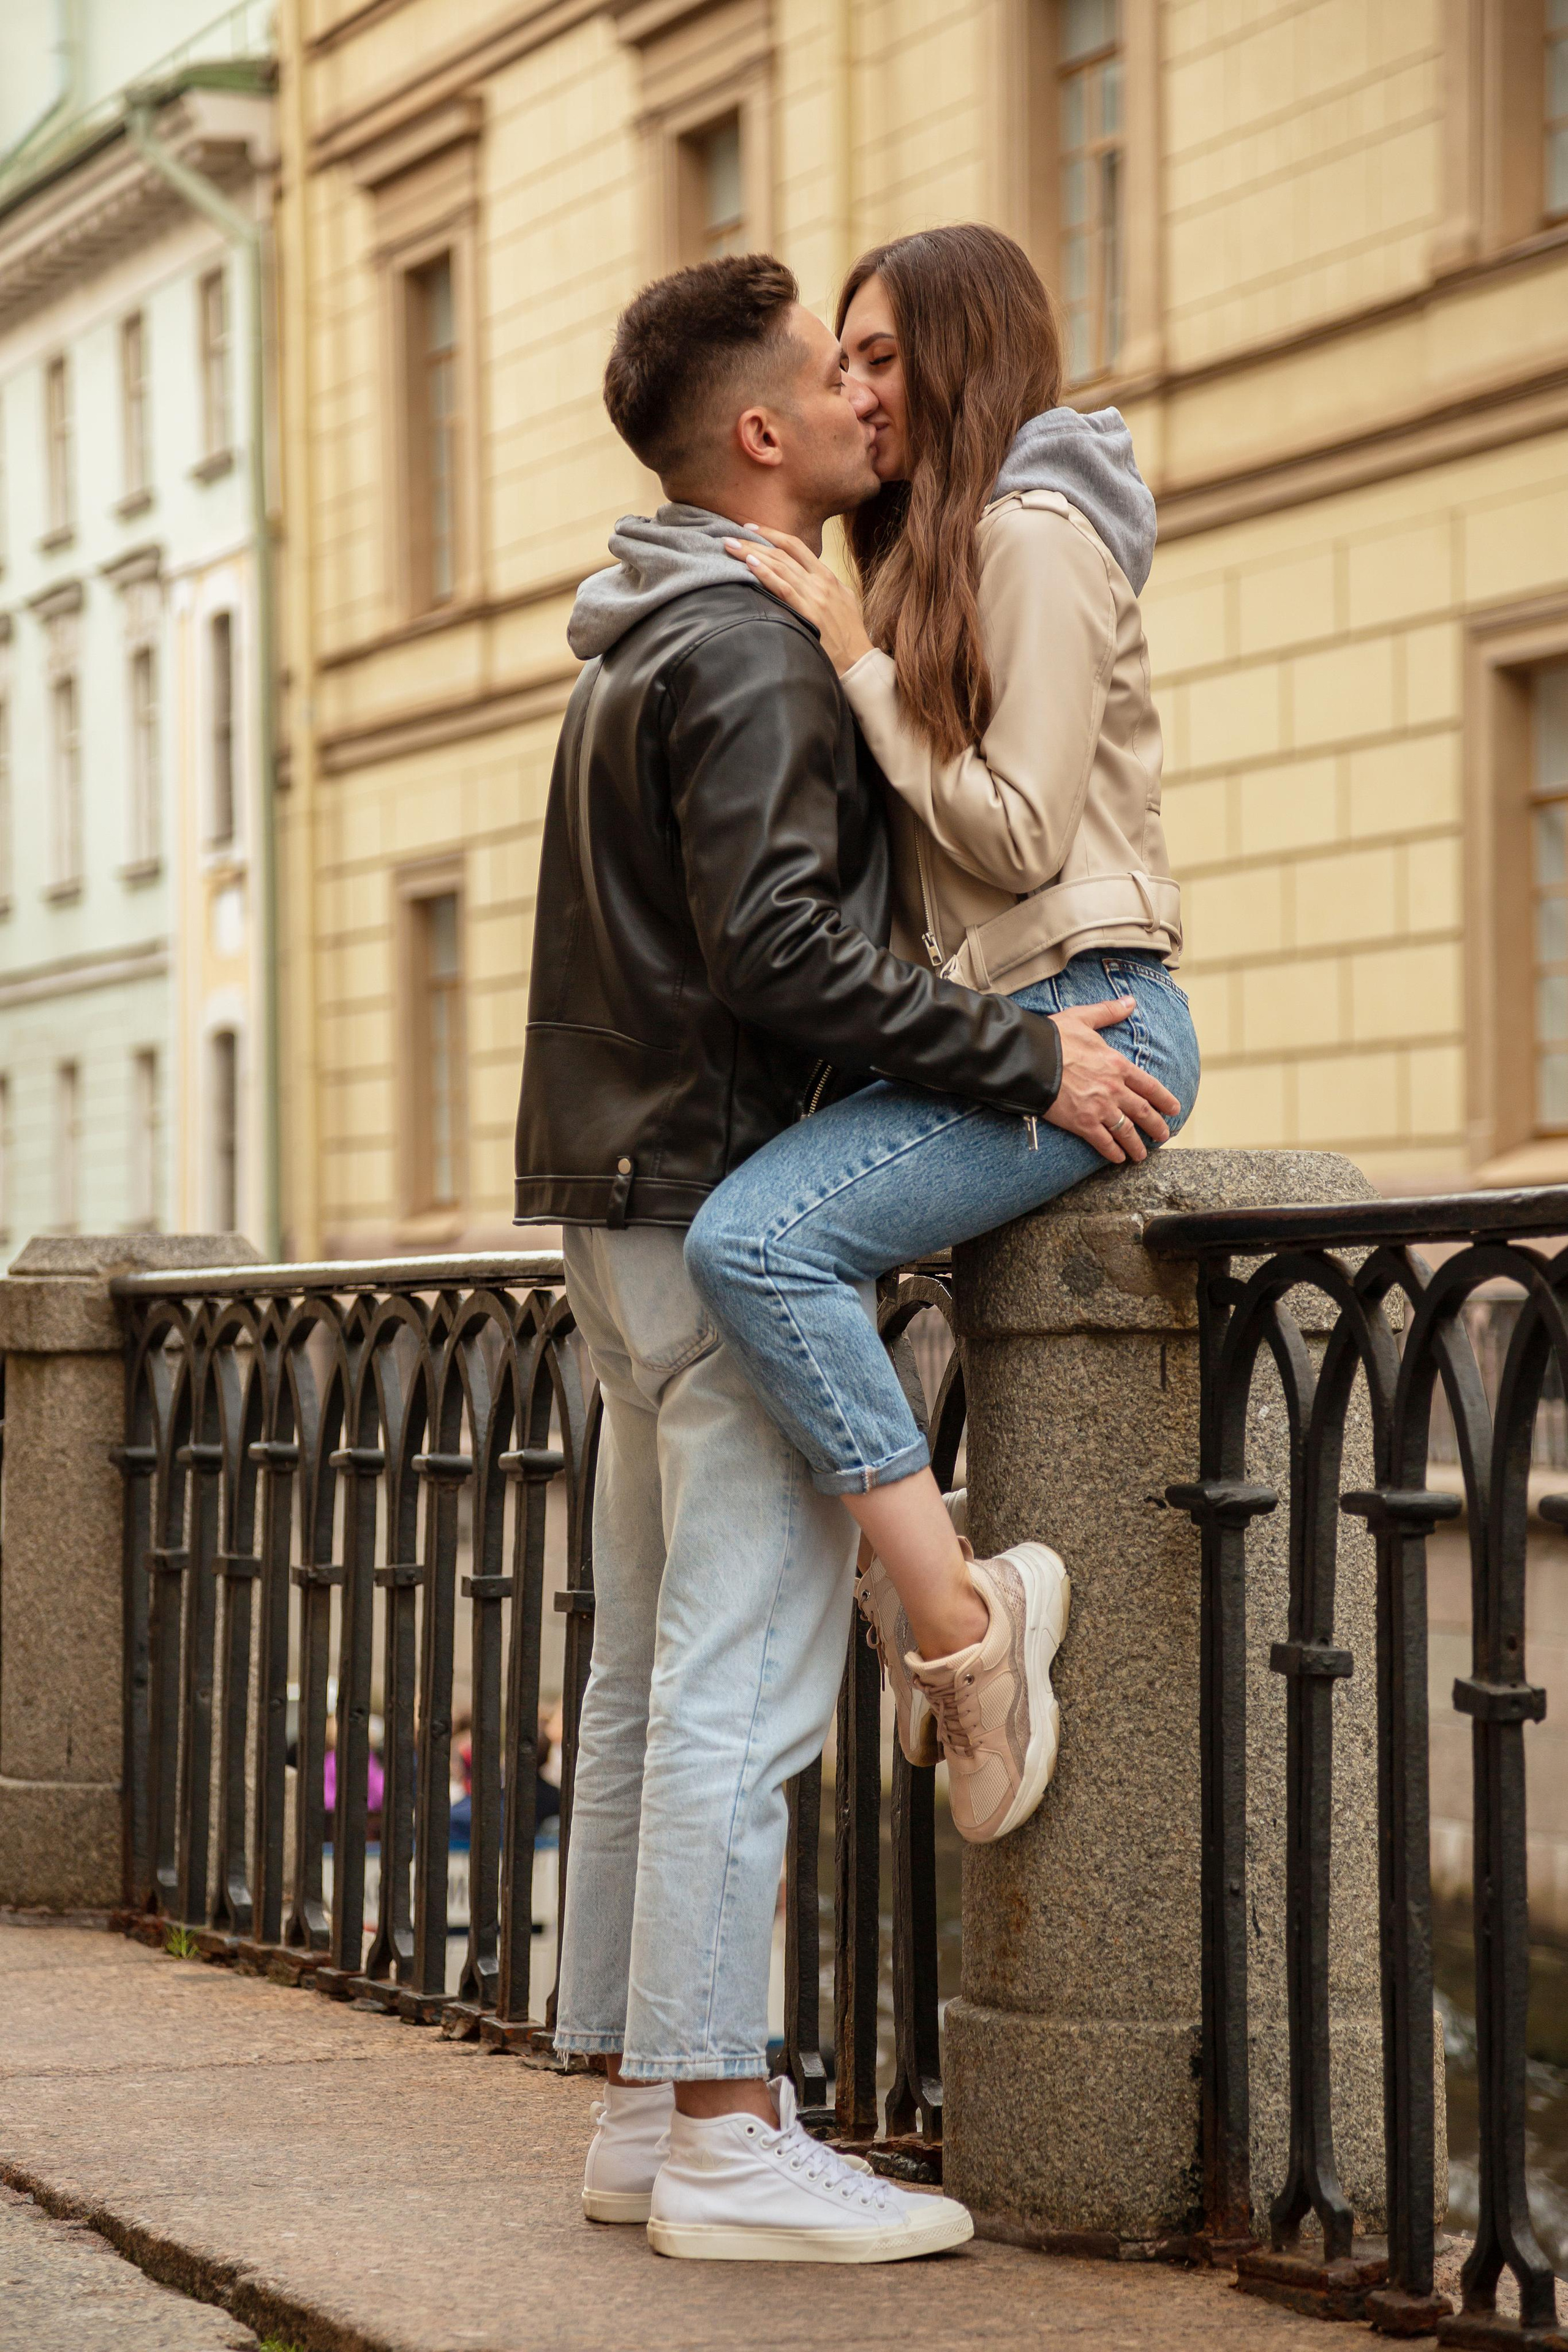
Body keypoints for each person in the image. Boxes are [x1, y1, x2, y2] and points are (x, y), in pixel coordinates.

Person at [512, 251, 1167, 2261]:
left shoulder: (641, 628)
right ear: (764, 436)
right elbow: (784, 950)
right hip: (714, 1198)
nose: (869, 402)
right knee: (737, 1677)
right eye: (835, 372)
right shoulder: (754, 648)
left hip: (611, 1207)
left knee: (641, 1675)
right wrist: (1018, 1055)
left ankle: (643, 2108)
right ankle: (726, 2128)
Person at [685, 224, 1197, 1845]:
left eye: (886, 356)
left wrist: (854, 662)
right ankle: (948, 1554)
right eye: (844, 359)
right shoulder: (945, 551)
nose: (858, 386)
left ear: (967, 354)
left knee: (758, 1245)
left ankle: (968, 1631)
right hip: (1013, 1025)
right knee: (772, 1257)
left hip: (1089, 1013)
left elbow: (1022, 832)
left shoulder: (1037, 533)